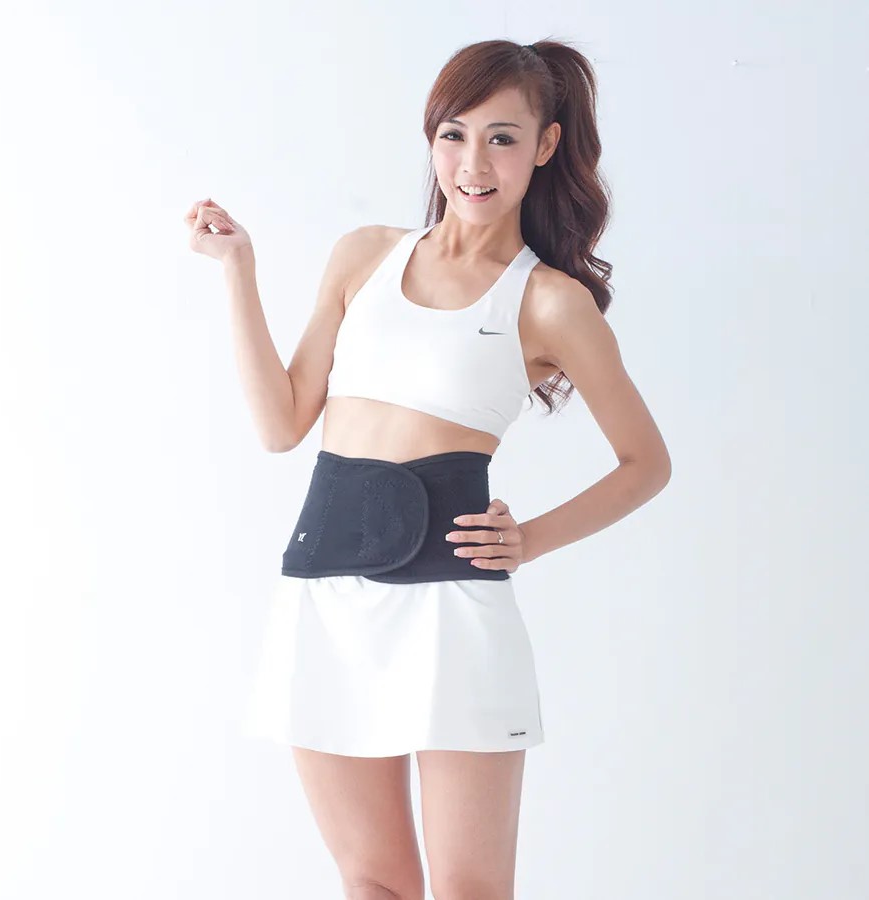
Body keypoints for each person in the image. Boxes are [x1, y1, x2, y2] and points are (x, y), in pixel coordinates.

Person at [184, 37, 671, 900]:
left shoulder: (549, 301)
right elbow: (280, 425)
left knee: (469, 890)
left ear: (546, 146)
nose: (473, 164)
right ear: (431, 138)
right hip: (325, 597)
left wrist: (529, 540)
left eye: (502, 138)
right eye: (454, 135)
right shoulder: (363, 256)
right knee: (373, 883)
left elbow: (646, 464)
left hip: (453, 612)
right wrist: (238, 270)